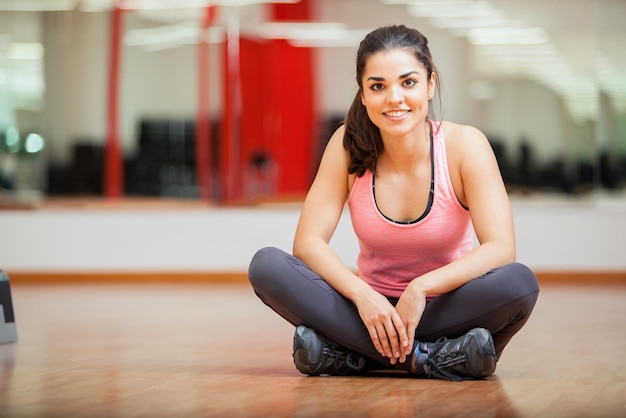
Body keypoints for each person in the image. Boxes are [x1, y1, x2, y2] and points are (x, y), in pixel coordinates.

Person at [248, 24, 539, 381]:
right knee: (266, 266)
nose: (394, 98)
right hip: (368, 311)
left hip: (445, 307)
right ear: (364, 94)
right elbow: (307, 243)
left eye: (409, 82)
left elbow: (500, 249)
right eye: (378, 86)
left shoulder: (466, 146)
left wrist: (421, 287)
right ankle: (433, 358)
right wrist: (362, 295)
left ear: (430, 85)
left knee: (518, 283)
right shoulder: (346, 145)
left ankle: (349, 355)